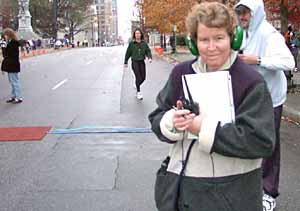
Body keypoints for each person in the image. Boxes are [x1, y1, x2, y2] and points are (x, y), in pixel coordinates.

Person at [149, 2, 275, 211]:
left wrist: (203, 129)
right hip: (183, 192)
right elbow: (157, 116)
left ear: (232, 39)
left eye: (219, 38)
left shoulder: (251, 81)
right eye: (204, 40)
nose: (211, 47)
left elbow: (261, 141)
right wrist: (171, 121)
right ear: (193, 42)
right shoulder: (181, 73)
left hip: (233, 195)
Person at [235, 1, 295, 210]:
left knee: (269, 145)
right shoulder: (240, 33)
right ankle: (250, 185)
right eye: (239, 12)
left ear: (256, 13)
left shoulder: (270, 35)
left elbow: (289, 63)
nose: (242, 17)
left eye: (246, 13)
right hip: (249, 97)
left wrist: (258, 60)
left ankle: (269, 192)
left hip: (271, 98)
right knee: (248, 141)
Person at [124, 28, 152, 100]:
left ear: (141, 34)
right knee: (138, 76)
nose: (137, 35)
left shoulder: (144, 43)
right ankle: (138, 92)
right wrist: (125, 62)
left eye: (139, 33)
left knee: (143, 78)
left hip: (141, 61)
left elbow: (148, 51)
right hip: (134, 62)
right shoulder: (132, 44)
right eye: (136, 33)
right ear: (134, 35)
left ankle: (137, 84)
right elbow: (128, 53)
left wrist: (149, 57)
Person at [1, 28, 23, 104]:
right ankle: (14, 96)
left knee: (14, 81)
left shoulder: (13, 43)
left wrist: (3, 47)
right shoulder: (11, 42)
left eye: (5, 35)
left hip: (12, 64)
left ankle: (18, 97)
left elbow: (7, 55)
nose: (4, 37)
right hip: (12, 64)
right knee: (12, 81)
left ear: (9, 35)